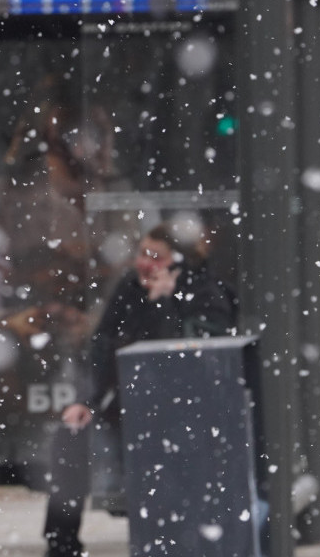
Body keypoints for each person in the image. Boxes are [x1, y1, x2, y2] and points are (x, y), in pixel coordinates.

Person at [42, 222, 237, 557]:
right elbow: (102, 346)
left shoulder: (204, 292)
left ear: (178, 262)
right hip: (128, 404)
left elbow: (189, 354)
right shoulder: (130, 288)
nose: (145, 264)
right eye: (141, 254)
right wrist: (85, 400)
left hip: (183, 410)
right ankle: (61, 542)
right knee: (71, 437)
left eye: (155, 257)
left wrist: (166, 301)